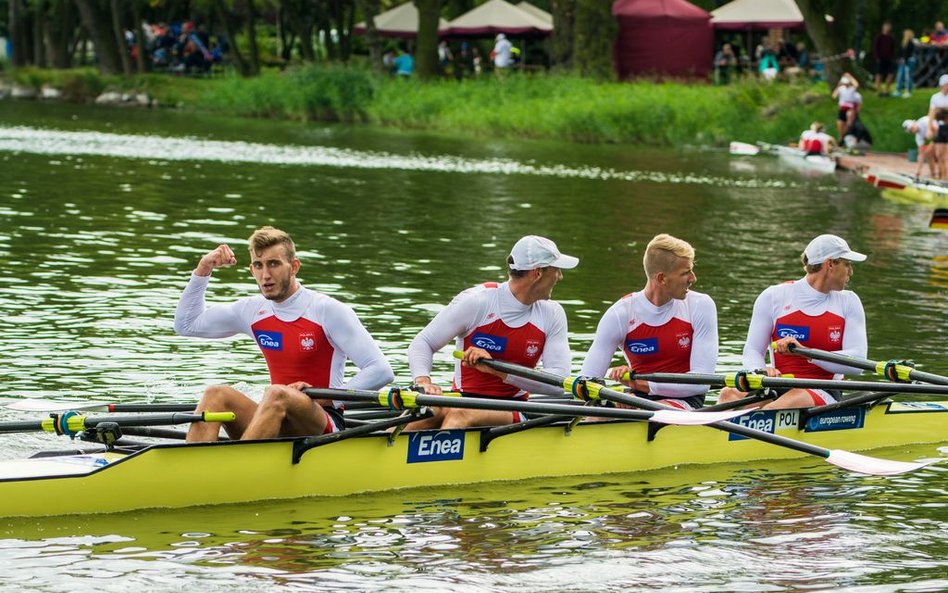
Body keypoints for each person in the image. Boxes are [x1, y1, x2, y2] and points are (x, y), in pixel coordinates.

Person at [174, 226, 395, 442]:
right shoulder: (251, 311)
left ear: (294, 266)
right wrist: (203, 269)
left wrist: (329, 396)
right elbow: (186, 325)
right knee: (216, 394)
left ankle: (240, 469)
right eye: (259, 266)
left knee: (276, 393)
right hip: (274, 415)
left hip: (322, 423)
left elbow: (381, 370)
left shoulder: (327, 310)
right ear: (252, 270)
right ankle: (191, 470)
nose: (266, 275)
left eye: (274, 264)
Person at [407, 236, 578, 429]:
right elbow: (423, 343)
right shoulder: (478, 301)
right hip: (463, 399)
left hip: (513, 408)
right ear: (538, 272)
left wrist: (498, 370)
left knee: (460, 414)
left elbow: (557, 384)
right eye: (557, 270)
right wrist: (424, 382)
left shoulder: (552, 314)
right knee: (426, 413)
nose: (560, 276)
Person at [718, 234, 868, 410]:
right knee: (728, 394)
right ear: (830, 264)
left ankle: (748, 426)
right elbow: (752, 351)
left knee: (783, 404)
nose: (851, 271)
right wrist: (760, 371)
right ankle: (710, 433)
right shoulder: (774, 296)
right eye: (847, 264)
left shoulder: (848, 301)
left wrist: (806, 352)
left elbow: (858, 361)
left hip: (824, 388)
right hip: (779, 384)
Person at [580, 234, 718, 411]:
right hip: (637, 398)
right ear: (661, 278)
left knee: (653, 413)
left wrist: (639, 383)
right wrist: (611, 390)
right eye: (685, 273)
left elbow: (701, 383)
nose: (693, 278)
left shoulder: (700, 306)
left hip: (686, 401)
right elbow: (589, 377)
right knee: (597, 416)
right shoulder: (620, 313)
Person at [927, 75, 948, 179]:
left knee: (946, 156)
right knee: (939, 155)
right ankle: (941, 178)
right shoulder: (935, 97)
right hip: (939, 128)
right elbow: (931, 114)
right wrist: (929, 128)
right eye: (945, 85)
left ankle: (945, 178)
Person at [832, 73, 862, 141]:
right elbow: (834, 96)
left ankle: (847, 135)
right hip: (842, 108)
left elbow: (856, 84)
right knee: (840, 123)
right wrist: (839, 85)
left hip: (850, 108)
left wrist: (850, 77)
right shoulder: (841, 88)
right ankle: (841, 137)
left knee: (849, 123)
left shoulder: (852, 89)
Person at [872, 21, 897, 96]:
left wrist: (893, 57)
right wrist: (877, 56)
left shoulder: (891, 38)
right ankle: (879, 89)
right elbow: (875, 47)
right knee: (879, 73)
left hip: (889, 58)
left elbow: (893, 48)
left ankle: (887, 89)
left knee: (890, 73)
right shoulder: (879, 37)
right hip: (880, 58)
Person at [893, 28, 917, 98]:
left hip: (909, 61)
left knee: (908, 76)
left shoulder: (911, 43)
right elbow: (901, 52)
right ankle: (898, 90)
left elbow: (909, 53)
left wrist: (905, 60)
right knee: (900, 75)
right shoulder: (903, 42)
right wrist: (900, 58)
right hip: (903, 61)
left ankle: (908, 91)